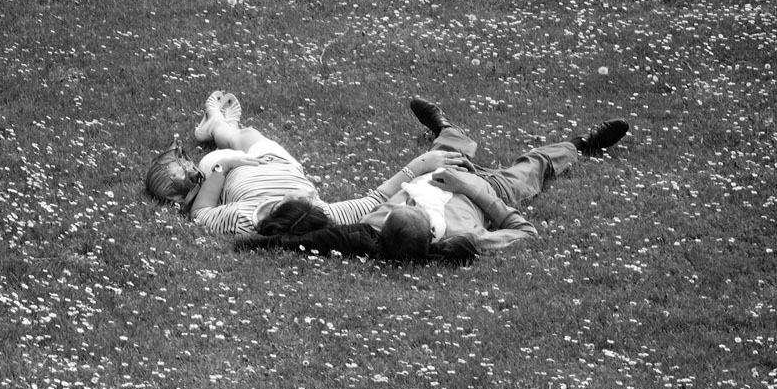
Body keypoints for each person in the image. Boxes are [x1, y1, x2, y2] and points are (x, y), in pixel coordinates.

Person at [234, 98, 629, 262]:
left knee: (449, 145)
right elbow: (526, 233)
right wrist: (474, 190)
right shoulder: (467, 237)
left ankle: (444, 127)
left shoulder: (367, 233)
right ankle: (583, 143)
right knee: (536, 164)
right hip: (492, 190)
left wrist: (256, 240)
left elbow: (311, 241)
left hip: (441, 170)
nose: (403, 203)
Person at [184, 91, 471, 235]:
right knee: (250, 135)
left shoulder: (241, 217)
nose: (310, 193)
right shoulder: (322, 214)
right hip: (281, 163)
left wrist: (228, 165)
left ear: (275, 208)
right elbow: (376, 199)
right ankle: (226, 129)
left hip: (230, 168)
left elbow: (200, 212)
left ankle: (216, 125)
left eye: (302, 196)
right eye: (309, 196)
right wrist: (420, 163)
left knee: (239, 139)